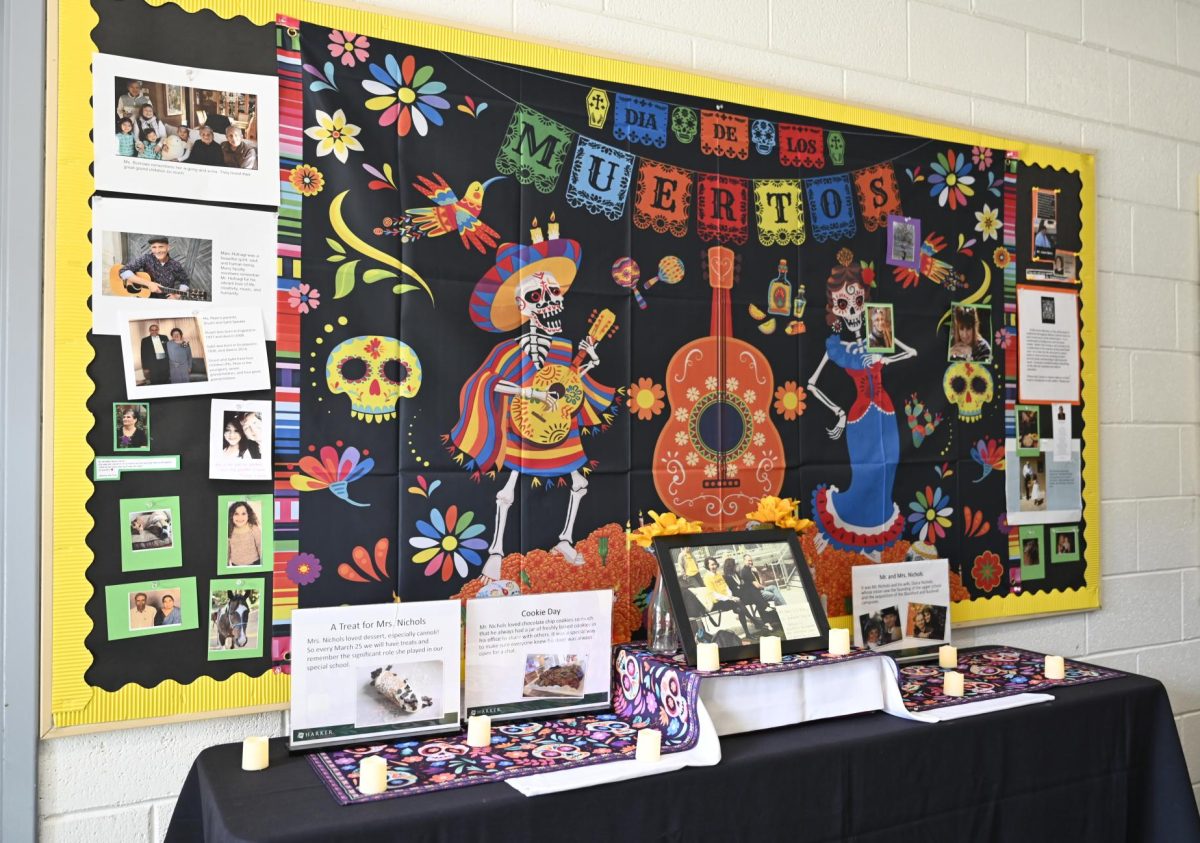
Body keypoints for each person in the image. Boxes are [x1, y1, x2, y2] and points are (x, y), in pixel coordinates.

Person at [807, 249, 915, 561]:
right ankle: (855, 537)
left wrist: (884, 355)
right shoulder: (837, 346)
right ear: (834, 308)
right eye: (843, 303)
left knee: (888, 470)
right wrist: (838, 413)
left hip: (887, 412)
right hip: (859, 418)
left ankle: (876, 545)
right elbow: (812, 384)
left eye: (857, 301)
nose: (852, 309)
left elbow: (911, 354)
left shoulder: (878, 334)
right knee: (867, 473)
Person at [118, 236, 191, 299]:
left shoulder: (176, 265)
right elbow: (123, 271)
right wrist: (149, 284)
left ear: (168, 248)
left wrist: (178, 295)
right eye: (154, 247)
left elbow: (185, 281)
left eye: (161, 247)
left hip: (164, 300)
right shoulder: (146, 258)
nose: (157, 251)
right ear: (151, 248)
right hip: (144, 297)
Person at [701, 557, 753, 639]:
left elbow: (726, 587)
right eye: (711, 565)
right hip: (718, 602)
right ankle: (753, 621)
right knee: (739, 603)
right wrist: (730, 598)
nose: (714, 566)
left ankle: (748, 633)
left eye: (715, 564)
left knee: (740, 608)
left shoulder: (718, 574)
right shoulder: (707, 578)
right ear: (707, 566)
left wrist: (731, 596)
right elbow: (714, 594)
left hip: (728, 599)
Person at [724, 557, 776, 632]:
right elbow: (732, 590)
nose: (736, 566)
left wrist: (741, 585)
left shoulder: (736, 574)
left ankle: (767, 623)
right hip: (738, 597)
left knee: (756, 598)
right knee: (755, 594)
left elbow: (742, 584)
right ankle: (766, 606)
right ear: (730, 566)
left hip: (744, 594)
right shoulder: (726, 577)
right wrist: (740, 586)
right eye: (735, 565)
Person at [227, 501, 263, 567]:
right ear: (231, 516)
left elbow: (261, 547)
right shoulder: (229, 530)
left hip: (254, 564)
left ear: (248, 515)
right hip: (235, 566)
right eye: (236, 514)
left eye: (243, 513)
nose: (240, 517)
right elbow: (227, 551)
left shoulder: (253, 528)